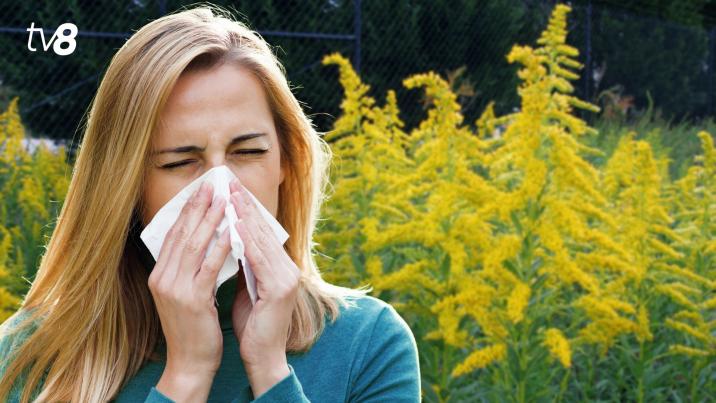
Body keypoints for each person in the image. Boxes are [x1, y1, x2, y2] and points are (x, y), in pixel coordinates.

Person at [0, 5, 421, 402]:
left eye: (249, 152)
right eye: (180, 162)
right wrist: (186, 375)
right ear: (125, 184)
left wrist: (271, 371)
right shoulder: (33, 355)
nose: (221, 188)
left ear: (286, 161)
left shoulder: (368, 344)